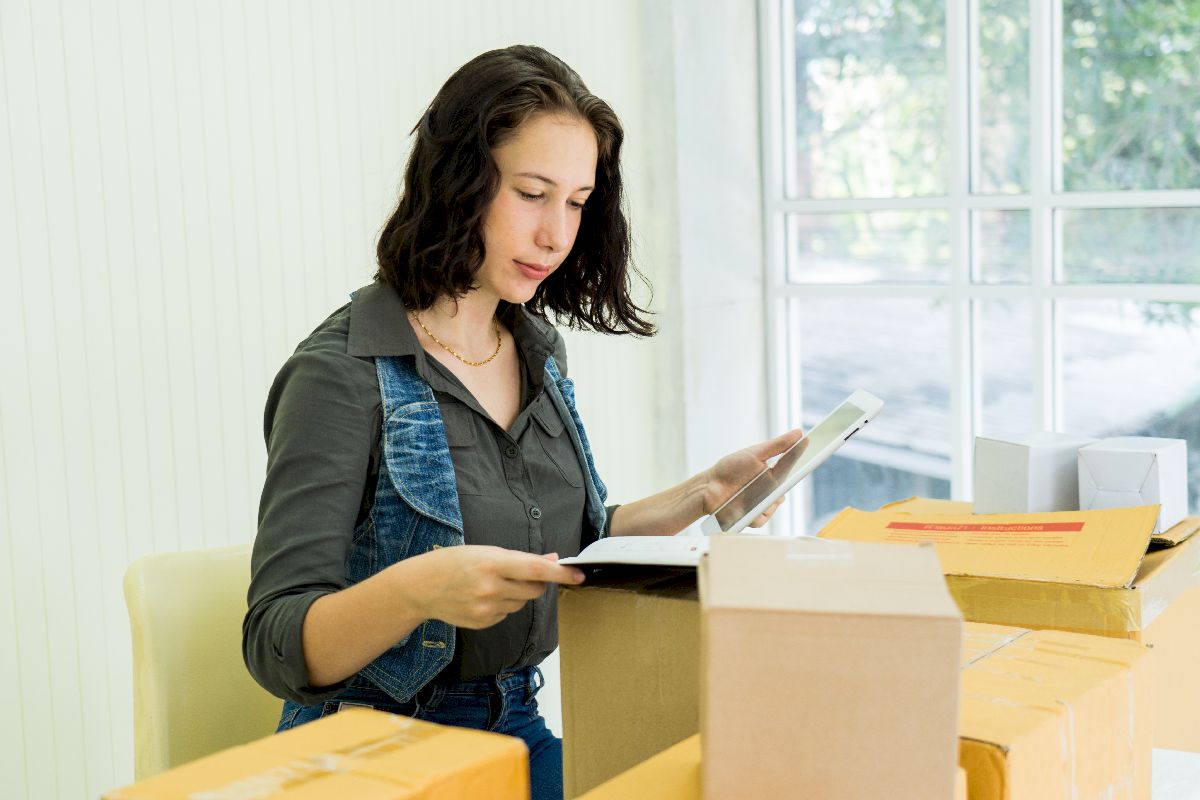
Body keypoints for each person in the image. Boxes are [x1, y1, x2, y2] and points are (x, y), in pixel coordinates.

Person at [243, 44, 800, 800]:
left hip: (517, 726)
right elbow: (277, 643)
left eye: (576, 202)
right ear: (456, 183)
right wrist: (419, 591)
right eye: (532, 193)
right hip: (372, 747)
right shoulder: (338, 375)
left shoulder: (536, 348)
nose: (557, 235)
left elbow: (560, 543)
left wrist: (699, 496)